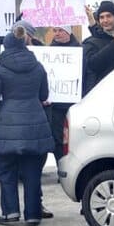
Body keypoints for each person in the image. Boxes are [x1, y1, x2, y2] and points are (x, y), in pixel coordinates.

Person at [0, 22, 52, 226]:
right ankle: (33, 214)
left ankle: (10, 212)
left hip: (9, 125)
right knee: (32, 172)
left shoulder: (0, 67)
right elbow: (44, 95)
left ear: (6, 45)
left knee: (6, 170)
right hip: (35, 124)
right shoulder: (38, 66)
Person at [46, 26, 79, 161]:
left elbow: (87, 75)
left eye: (60, 30)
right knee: (58, 139)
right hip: (56, 105)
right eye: (55, 31)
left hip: (74, 104)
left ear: (68, 32)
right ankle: (61, 165)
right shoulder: (49, 52)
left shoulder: (79, 50)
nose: (57, 34)